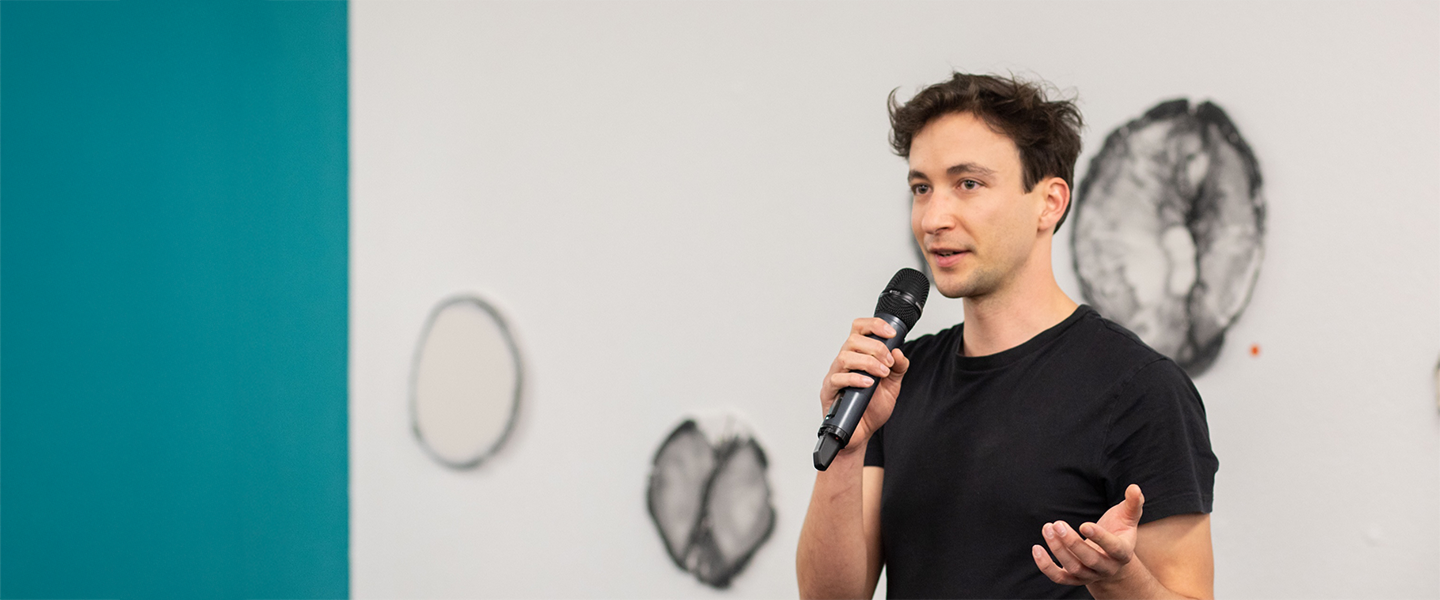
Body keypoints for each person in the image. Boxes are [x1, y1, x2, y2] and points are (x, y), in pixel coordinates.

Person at [796, 73, 1219, 600]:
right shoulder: (896, 378)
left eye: (968, 184)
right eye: (922, 188)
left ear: (1049, 202)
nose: (933, 218)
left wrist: (1119, 580)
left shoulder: (1140, 388)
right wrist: (846, 452)